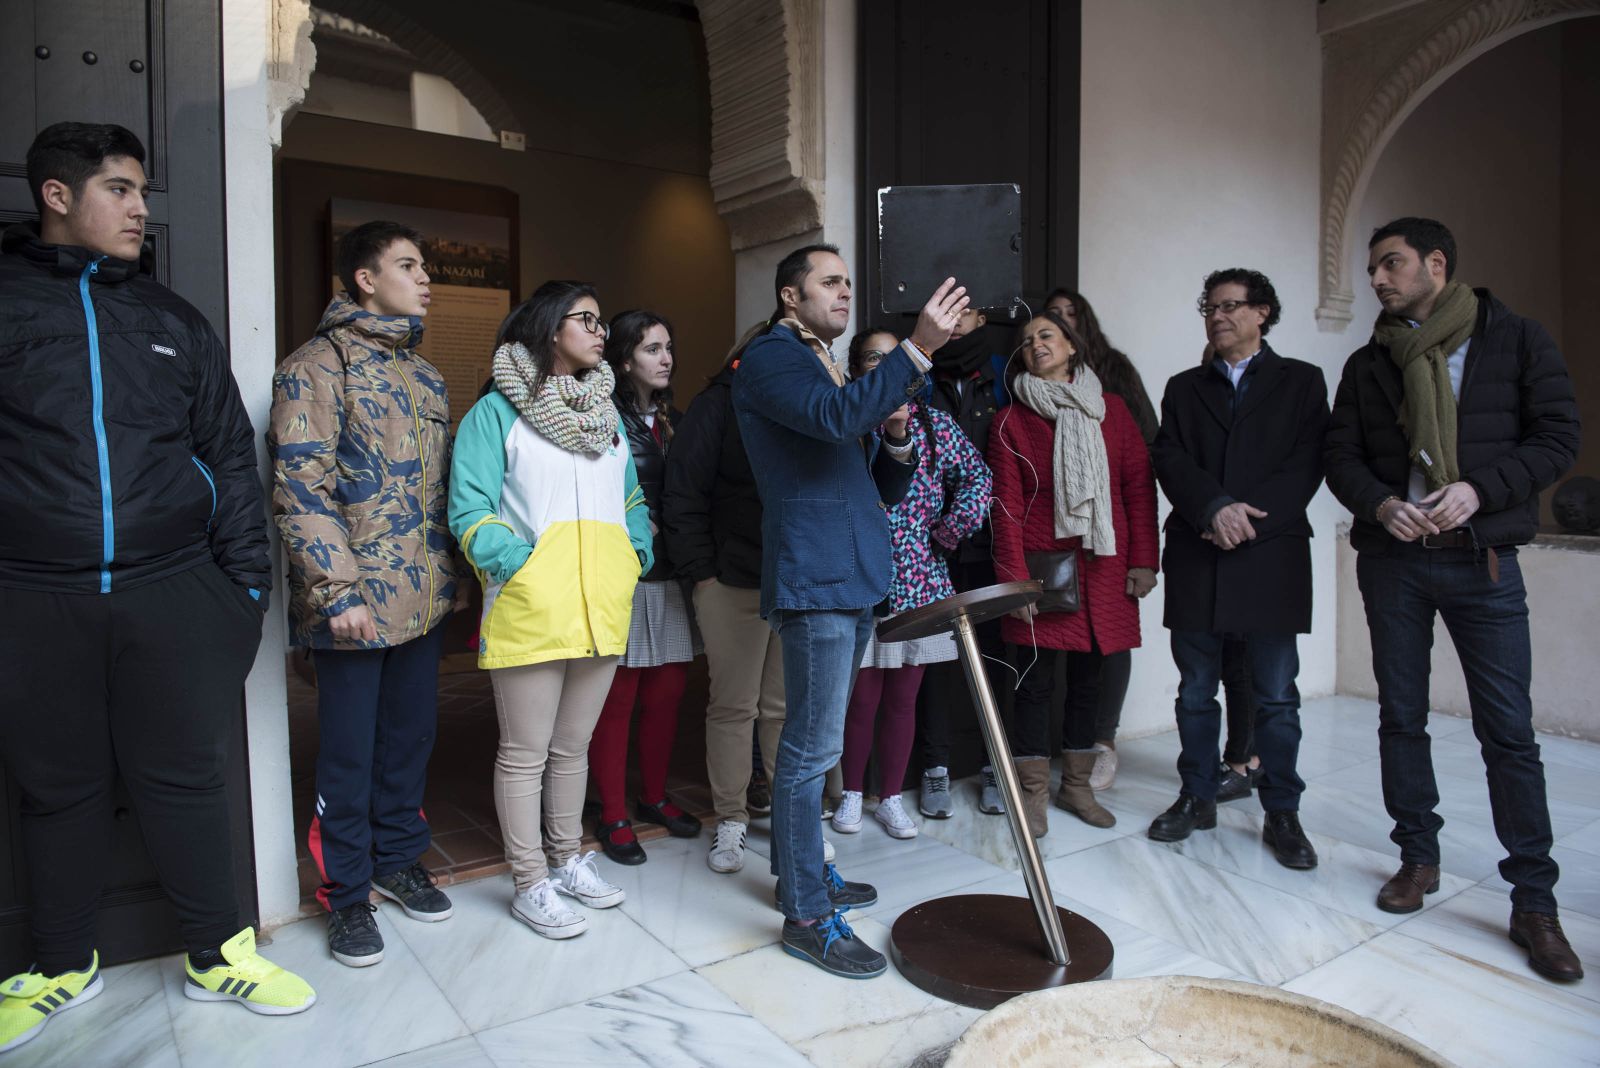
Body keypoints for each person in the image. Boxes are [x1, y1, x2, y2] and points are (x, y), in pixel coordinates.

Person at [0, 123, 314, 1054]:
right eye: (120, 190)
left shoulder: (173, 319)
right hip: (31, 597)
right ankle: (62, 964)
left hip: (173, 591)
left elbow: (226, 453)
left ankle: (218, 951)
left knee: (185, 779)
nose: (141, 209)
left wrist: (240, 592)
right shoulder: (7, 307)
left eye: (141, 191)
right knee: (56, 788)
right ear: (58, 196)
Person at [1324, 217, 1583, 982]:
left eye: (1391, 263)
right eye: (1372, 267)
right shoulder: (1369, 362)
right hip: (1396, 563)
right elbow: (1338, 455)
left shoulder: (1517, 340)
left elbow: (1558, 437)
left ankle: (1534, 901)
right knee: (1400, 718)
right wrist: (1379, 504)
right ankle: (1417, 858)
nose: (1377, 278)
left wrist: (1479, 489)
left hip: (1484, 561)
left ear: (1437, 264)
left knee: (1509, 734)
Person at [732, 242, 967, 978]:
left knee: (818, 747)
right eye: (829, 283)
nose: (844, 293)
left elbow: (874, 489)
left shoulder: (824, 363)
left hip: (853, 571)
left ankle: (800, 873)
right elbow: (834, 422)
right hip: (817, 575)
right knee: (808, 752)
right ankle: (806, 914)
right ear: (789, 297)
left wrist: (895, 440)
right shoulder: (773, 357)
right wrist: (921, 348)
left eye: (847, 283)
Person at [269, 220, 461, 967]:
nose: (425, 280)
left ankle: (397, 859)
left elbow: (442, 493)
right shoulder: (314, 367)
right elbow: (300, 486)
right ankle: (346, 894)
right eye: (409, 266)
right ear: (363, 279)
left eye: (424, 266)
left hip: (423, 598)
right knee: (347, 755)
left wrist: (454, 578)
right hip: (351, 604)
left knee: (408, 743)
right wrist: (335, 589)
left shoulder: (425, 377)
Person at [448, 281, 652, 940]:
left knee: (572, 748)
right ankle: (529, 880)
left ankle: (568, 860)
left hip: (601, 604)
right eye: (586, 320)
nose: (601, 332)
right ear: (548, 328)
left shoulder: (608, 416)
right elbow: (469, 508)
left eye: (600, 320)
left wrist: (634, 555)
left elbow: (631, 503)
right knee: (524, 753)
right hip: (532, 606)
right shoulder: (494, 414)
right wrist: (521, 566)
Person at [1148, 269, 1328, 871]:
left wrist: (1246, 519)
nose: (1218, 316)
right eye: (1210, 307)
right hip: (1200, 551)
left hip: (1271, 554)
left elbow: (1307, 465)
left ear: (1262, 313)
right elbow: (1168, 456)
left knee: (1276, 695)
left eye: (1230, 306)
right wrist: (1214, 508)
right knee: (1196, 691)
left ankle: (1282, 810)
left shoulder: (1302, 381)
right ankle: (1196, 796)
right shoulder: (1182, 387)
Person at [988, 310, 1159, 836]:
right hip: (1044, 569)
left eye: (1047, 335)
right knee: (1035, 685)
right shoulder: (1011, 420)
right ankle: (1033, 793)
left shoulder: (1113, 411)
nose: (1036, 344)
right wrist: (1013, 579)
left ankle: (1078, 787)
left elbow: (1137, 488)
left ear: (1072, 348)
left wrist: (1144, 561)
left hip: (1105, 565)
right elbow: (1007, 506)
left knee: (1091, 681)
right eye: (1027, 341)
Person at [834, 329, 992, 841]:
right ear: (858, 370)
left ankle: (892, 798)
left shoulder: (935, 425)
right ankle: (853, 794)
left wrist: (947, 531)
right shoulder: (847, 423)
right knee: (860, 697)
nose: (884, 364)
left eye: (893, 355)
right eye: (872, 358)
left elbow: (979, 479)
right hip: (858, 577)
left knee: (904, 698)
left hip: (921, 580)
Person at [663, 323, 788, 875]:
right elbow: (682, 494)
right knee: (735, 706)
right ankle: (731, 821)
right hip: (729, 580)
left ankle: (791, 821)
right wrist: (702, 574)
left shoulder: (802, 408)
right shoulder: (715, 405)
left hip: (791, 581)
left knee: (784, 709)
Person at [590, 310, 703, 865]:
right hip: (626, 573)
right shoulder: (600, 418)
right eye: (653, 349)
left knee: (667, 694)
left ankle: (653, 797)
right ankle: (611, 813)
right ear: (624, 358)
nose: (666, 359)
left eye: (668, 348)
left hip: (672, 574)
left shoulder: (673, 420)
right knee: (618, 699)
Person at [1043, 287, 1158, 792]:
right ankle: (1060, 746)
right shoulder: (1030, 389)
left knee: (1110, 639)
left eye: (1071, 315)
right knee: (1056, 642)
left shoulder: (1112, 374)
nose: (1064, 323)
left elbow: (1143, 457)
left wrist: (1143, 556)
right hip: (1056, 537)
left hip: (1107, 536)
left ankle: (1102, 741)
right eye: (1053, 318)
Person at [916, 306, 1012, 819]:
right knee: (935, 659)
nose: (956, 322)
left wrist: (963, 523)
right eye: (947, 312)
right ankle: (935, 766)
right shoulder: (918, 374)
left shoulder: (1003, 374)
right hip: (928, 549)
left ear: (982, 319)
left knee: (994, 657)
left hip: (992, 542)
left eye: (967, 312)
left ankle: (996, 763)